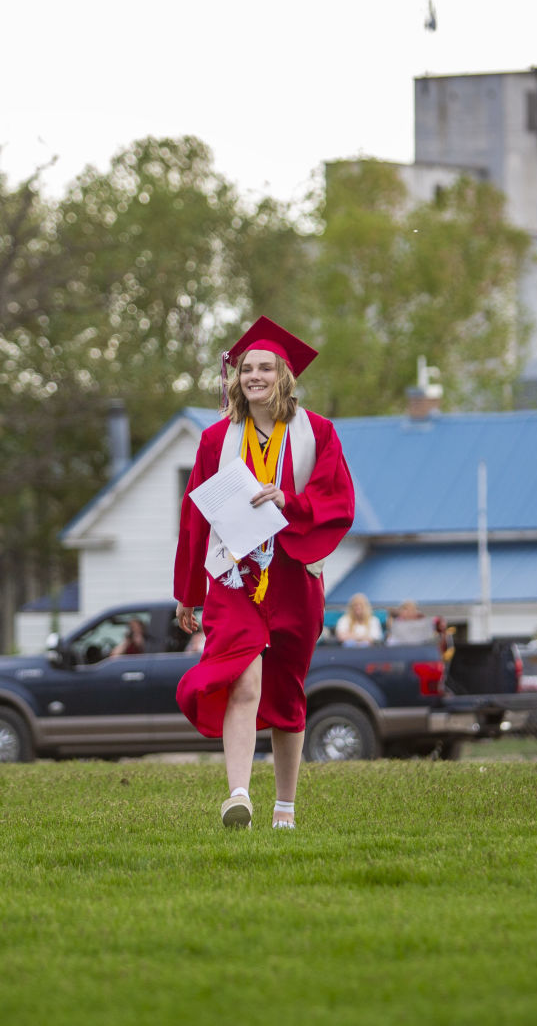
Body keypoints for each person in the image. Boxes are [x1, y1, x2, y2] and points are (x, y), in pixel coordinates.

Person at [174, 316, 356, 830]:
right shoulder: (216, 440)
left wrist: (288, 501)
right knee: (243, 678)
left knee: (287, 691)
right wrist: (187, 591)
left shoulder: (318, 432)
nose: (255, 376)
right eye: (247, 368)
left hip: (294, 575)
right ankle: (238, 796)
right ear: (236, 378)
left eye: (266, 368)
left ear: (284, 376)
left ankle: (285, 808)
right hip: (235, 576)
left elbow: (337, 499)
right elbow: (195, 517)